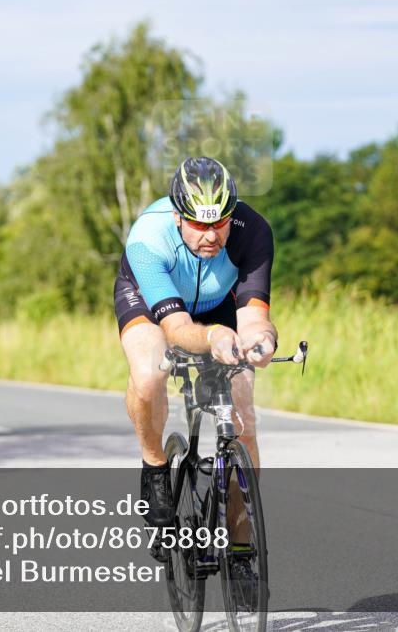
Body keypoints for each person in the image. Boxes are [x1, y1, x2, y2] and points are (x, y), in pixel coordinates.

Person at [115, 157, 277, 572]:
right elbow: (177, 329)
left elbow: (254, 316)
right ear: (177, 216)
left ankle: (241, 548)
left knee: (244, 415)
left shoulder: (253, 231)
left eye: (220, 222)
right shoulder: (147, 241)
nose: (210, 236)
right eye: (198, 224)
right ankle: (154, 468)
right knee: (151, 371)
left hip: (217, 305)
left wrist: (262, 340)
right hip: (153, 305)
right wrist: (211, 338)